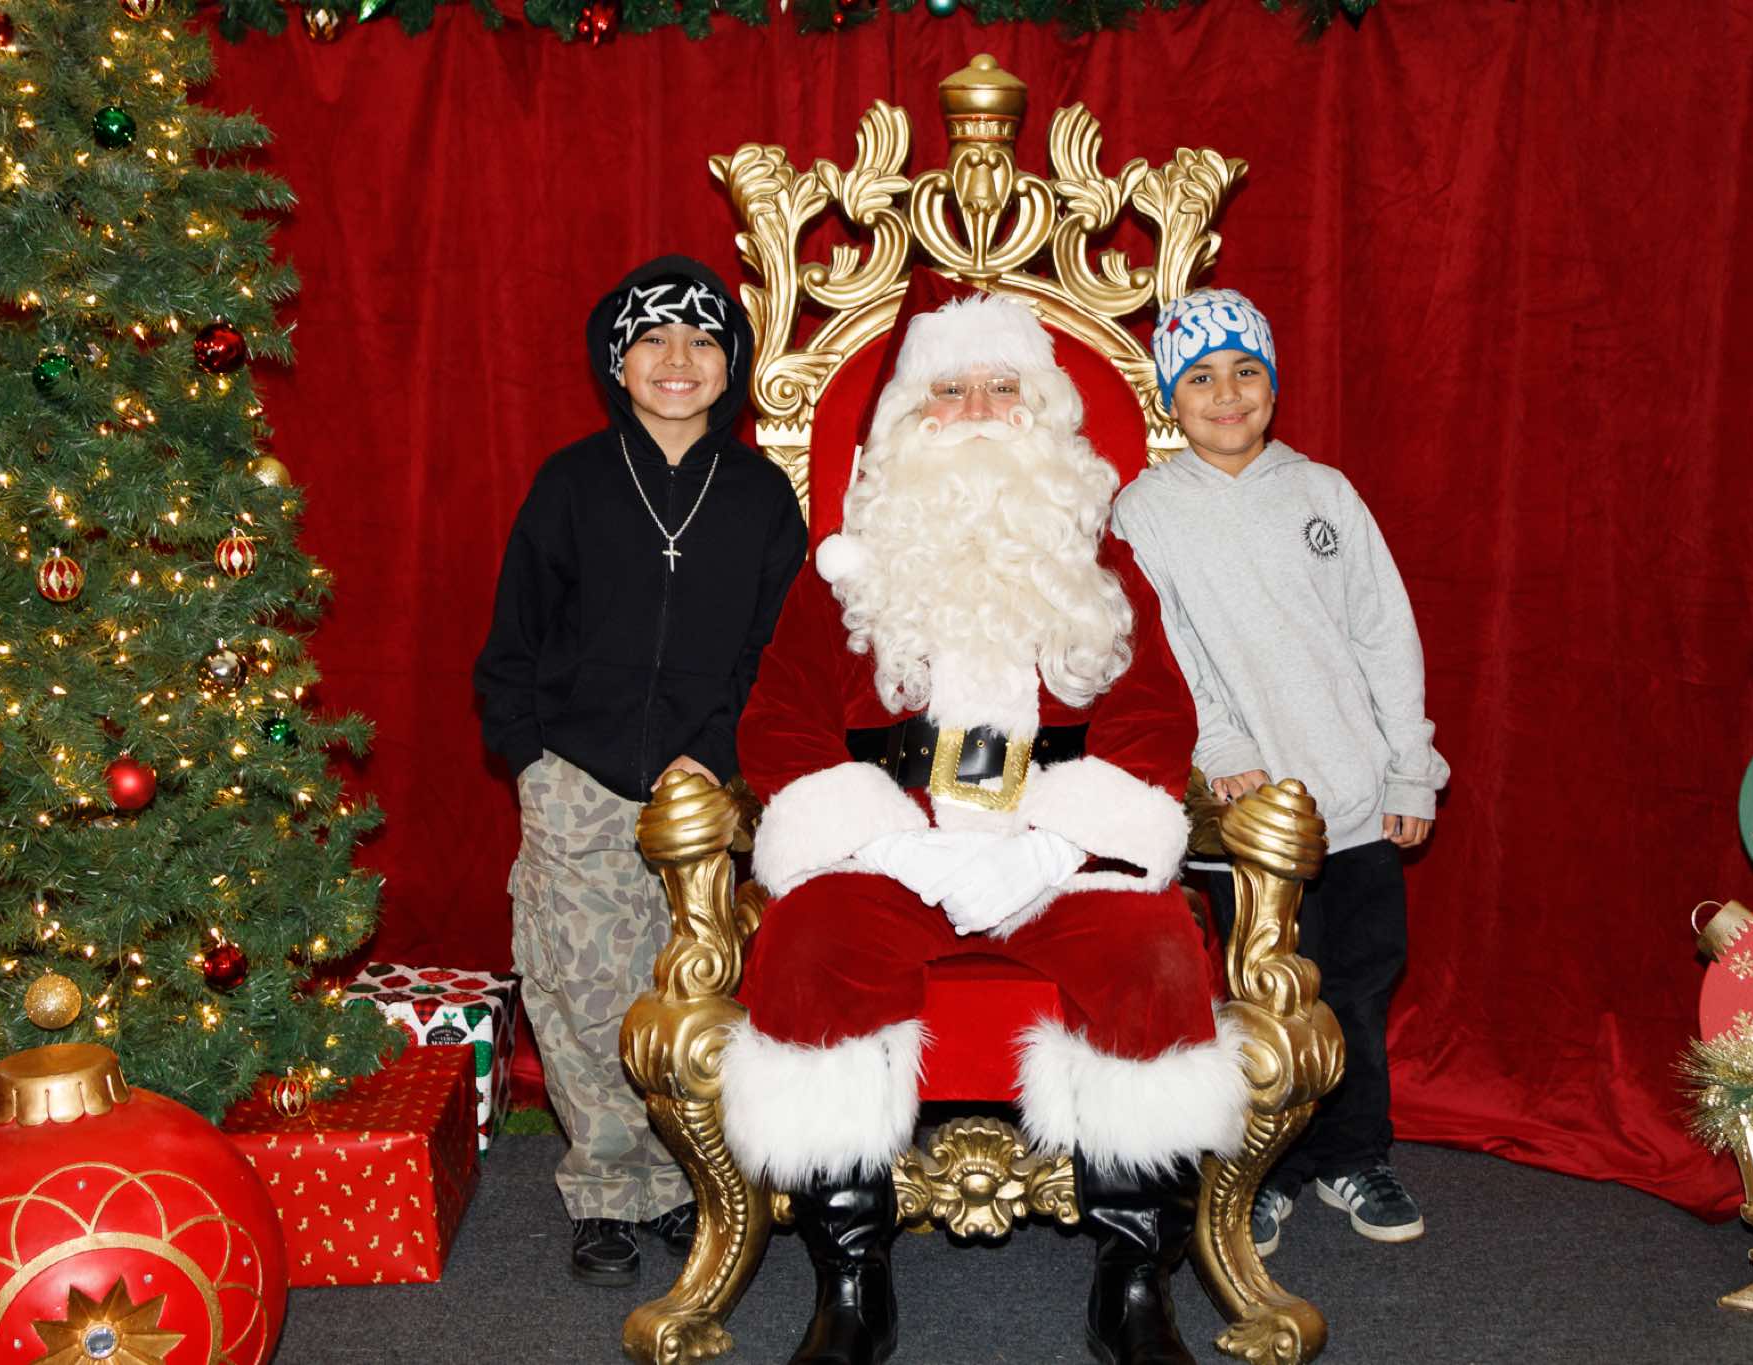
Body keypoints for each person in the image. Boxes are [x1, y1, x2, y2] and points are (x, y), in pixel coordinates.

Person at [729, 292, 1232, 1365]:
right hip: (889, 855)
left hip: (1059, 857)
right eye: (947, 391)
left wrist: (1054, 845)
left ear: (1040, 411)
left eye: (1002, 388)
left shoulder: (1098, 565)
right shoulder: (840, 572)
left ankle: (1134, 1279)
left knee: (1153, 951)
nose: (974, 412)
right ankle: (850, 1279)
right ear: (908, 419)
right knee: (809, 946)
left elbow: (1153, 721)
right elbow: (779, 726)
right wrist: (892, 844)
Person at [474, 255, 806, 1287]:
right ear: (617, 362)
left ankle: (688, 1177)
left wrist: (723, 755)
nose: (677, 359)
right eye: (653, 339)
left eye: (702, 340)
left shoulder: (760, 496)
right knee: (582, 986)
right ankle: (609, 1188)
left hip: (706, 784)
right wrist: (530, 757)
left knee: (687, 984)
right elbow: (516, 636)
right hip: (576, 769)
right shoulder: (571, 482)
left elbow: (778, 650)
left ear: (731, 365)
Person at [1111, 287, 1449, 1253]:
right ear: (1171, 398)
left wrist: (1409, 767)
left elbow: (1384, 634)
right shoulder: (1145, 511)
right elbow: (1163, 651)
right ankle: (1260, 1171)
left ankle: (1355, 1153)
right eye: (1201, 378)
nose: (1227, 394)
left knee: (1355, 989)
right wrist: (1222, 749)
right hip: (1244, 814)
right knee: (1255, 996)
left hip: (1353, 802)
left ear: (1273, 384)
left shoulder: (1323, 493)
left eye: (1246, 371)